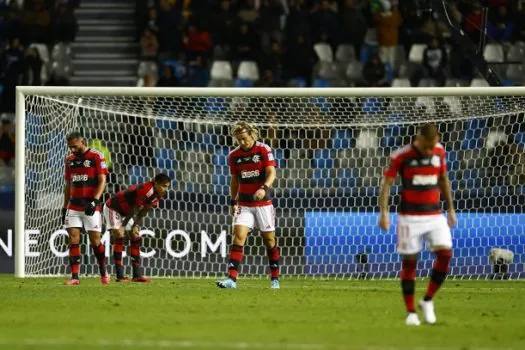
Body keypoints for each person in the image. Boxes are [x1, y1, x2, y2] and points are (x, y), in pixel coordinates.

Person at [378, 124, 456, 326]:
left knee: (446, 254)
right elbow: (387, 184)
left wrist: (451, 209)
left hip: (435, 215)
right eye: (427, 146)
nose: (430, 150)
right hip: (409, 217)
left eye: (433, 146)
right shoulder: (400, 156)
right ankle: (411, 312)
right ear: (418, 139)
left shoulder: (440, 151)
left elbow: (443, 179)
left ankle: (427, 299)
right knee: (410, 262)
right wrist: (384, 213)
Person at [216, 122, 279, 289]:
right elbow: (235, 180)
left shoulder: (263, 149)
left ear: (252, 134)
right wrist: (232, 201)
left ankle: (274, 278)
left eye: (244, 139)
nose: (242, 142)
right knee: (239, 236)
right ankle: (231, 279)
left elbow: (272, 172)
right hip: (244, 203)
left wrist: (264, 188)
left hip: (263, 203)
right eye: (239, 140)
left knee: (269, 240)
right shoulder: (233, 155)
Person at [103, 174, 171, 282]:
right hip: (113, 207)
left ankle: (137, 275)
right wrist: (123, 226)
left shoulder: (158, 194)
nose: (166, 189)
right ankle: (120, 276)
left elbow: (144, 210)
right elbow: (134, 207)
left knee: (136, 237)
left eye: (167, 187)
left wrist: (135, 225)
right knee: (119, 236)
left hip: (126, 212)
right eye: (164, 186)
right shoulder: (146, 189)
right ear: (156, 183)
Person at [62, 132, 109, 285]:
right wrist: (64, 207)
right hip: (74, 206)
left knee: (95, 241)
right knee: (73, 239)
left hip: (91, 206)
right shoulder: (69, 160)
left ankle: (103, 272)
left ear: (83, 142)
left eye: (75, 147)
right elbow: (68, 185)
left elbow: (103, 180)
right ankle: (75, 277)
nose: (72, 150)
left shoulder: (96, 156)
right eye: (70, 147)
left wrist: (95, 201)